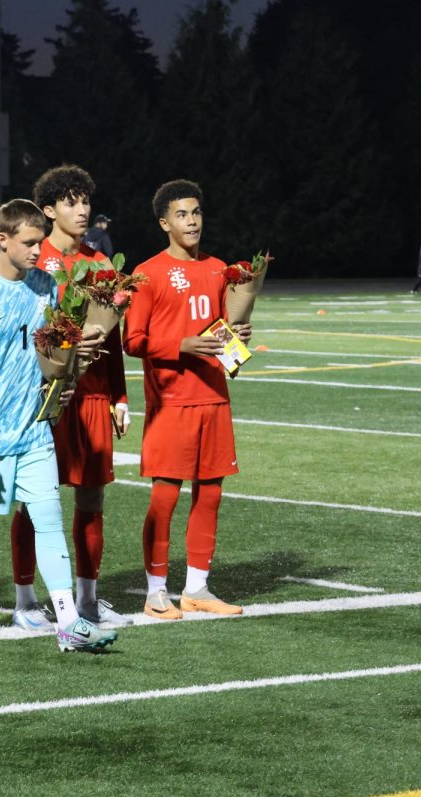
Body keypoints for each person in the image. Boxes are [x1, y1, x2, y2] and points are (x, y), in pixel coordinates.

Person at [0, 199, 118, 653]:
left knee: (49, 520)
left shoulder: (47, 287)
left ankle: (69, 622)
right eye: (29, 243)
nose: (39, 251)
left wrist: (72, 369)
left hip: (35, 430)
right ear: (3, 240)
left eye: (41, 242)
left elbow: (56, 352)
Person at [9, 165, 132, 633]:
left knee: (92, 497)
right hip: (43, 397)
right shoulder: (34, 265)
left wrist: (119, 395)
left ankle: (88, 599)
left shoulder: (102, 265)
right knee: (33, 498)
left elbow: (112, 339)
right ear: (48, 210)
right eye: (71, 202)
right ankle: (25, 599)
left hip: (94, 396)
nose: (82, 211)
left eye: (85, 201)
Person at [123, 179, 250, 620]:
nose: (191, 221)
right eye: (181, 214)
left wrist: (238, 341)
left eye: (196, 212)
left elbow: (222, 331)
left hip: (214, 397)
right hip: (171, 401)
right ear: (164, 223)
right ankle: (156, 591)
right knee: (165, 497)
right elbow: (132, 339)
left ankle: (197, 588)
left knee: (211, 494)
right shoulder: (148, 273)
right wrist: (182, 345)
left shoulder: (220, 269)